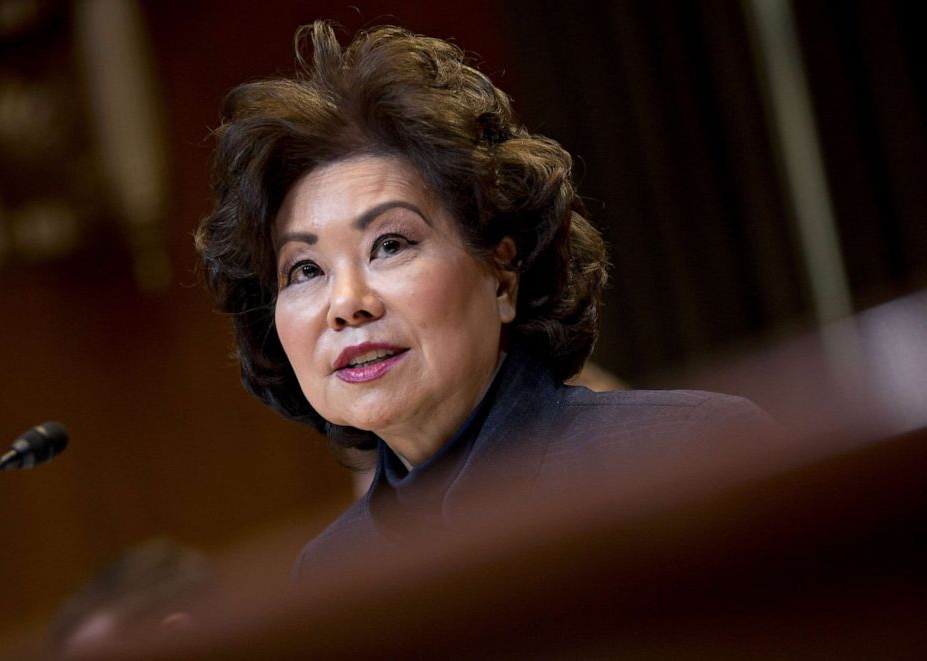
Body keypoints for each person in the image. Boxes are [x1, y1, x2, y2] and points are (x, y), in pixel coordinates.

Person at [196, 21, 773, 581]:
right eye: (304, 270)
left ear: (502, 275)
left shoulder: (688, 453)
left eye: (390, 244)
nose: (347, 303)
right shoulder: (331, 574)